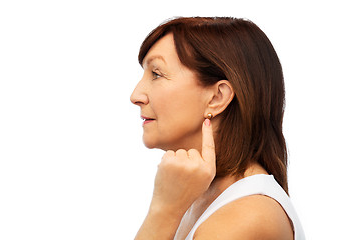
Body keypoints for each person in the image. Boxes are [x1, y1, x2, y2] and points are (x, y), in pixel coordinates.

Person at [130, 17, 305, 240]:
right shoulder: (198, 195)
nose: (135, 96)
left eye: (156, 74)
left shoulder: (246, 216)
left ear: (217, 97)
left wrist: (162, 212)